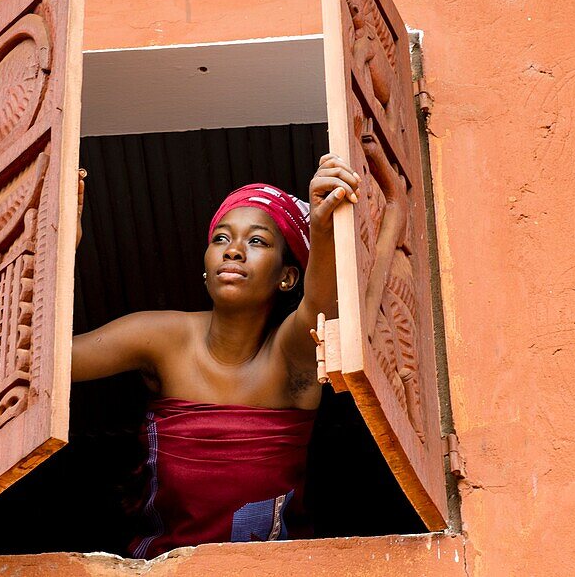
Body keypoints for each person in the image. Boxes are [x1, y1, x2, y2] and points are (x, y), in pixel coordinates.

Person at [71, 153, 362, 558]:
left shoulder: (290, 357)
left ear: (287, 276)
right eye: (221, 238)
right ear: (206, 265)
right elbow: (54, 363)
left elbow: (320, 309)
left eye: (256, 241)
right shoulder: (161, 337)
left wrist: (325, 229)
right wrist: (60, 245)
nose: (233, 251)